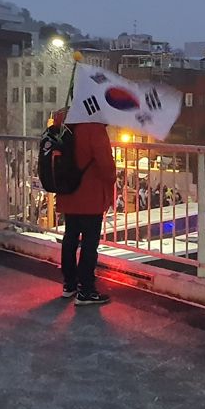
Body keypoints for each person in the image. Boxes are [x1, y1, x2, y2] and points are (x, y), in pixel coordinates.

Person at [56, 120, 116, 305]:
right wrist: (113, 178)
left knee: (70, 238)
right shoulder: (94, 129)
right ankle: (86, 290)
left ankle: (69, 284)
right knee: (89, 244)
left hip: (69, 192)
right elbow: (106, 166)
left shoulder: (66, 125)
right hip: (89, 195)